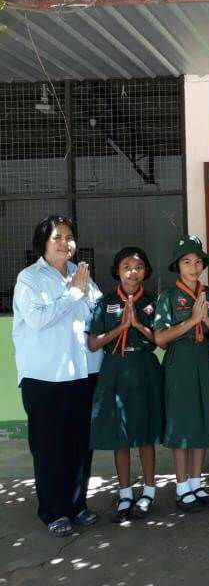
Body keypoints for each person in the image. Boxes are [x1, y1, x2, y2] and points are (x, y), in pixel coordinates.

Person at [12, 215, 103, 537]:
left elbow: (97, 315)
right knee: (49, 447)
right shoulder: (29, 279)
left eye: (69, 237)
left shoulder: (81, 274)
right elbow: (38, 319)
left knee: (80, 445)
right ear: (43, 243)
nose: (65, 243)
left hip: (83, 373)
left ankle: (77, 505)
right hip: (45, 378)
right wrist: (74, 293)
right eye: (57, 238)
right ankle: (54, 511)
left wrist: (85, 294)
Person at [88, 247, 163, 523]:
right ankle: (125, 494)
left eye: (139, 267)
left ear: (146, 271)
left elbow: (160, 339)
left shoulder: (154, 301)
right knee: (119, 435)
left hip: (144, 367)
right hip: (115, 369)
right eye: (127, 267)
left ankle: (149, 492)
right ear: (117, 271)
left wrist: (138, 326)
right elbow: (93, 343)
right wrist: (121, 327)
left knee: (145, 433)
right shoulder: (105, 302)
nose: (133, 272)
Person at [153, 236, 209, 512]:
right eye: (187, 262)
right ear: (177, 266)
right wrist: (191, 321)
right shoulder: (168, 297)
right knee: (182, 424)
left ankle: (196, 483)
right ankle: (182, 487)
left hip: (204, 362)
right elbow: (160, 338)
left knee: (201, 421)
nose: (193, 267)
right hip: (179, 365)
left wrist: (206, 319)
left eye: (197, 262)